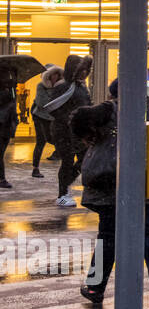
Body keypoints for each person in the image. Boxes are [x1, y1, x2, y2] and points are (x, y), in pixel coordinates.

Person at [76, 80, 149, 309]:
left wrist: (86, 138)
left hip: (114, 186)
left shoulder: (110, 110)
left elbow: (77, 117)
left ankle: (95, 287)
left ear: (113, 95)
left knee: (108, 236)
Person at [47, 55, 93, 208]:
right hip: (63, 131)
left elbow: (87, 107)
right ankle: (62, 194)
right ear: (74, 70)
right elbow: (51, 108)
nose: (84, 74)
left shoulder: (82, 87)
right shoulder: (63, 86)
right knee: (67, 161)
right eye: (81, 70)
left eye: (86, 71)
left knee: (84, 160)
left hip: (79, 131)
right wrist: (68, 119)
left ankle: (66, 185)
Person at [30, 65, 60, 178]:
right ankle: (35, 168)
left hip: (52, 118)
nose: (55, 77)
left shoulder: (60, 87)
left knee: (54, 138)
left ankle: (58, 153)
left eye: (57, 74)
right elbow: (41, 102)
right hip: (40, 117)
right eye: (53, 74)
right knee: (41, 141)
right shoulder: (41, 86)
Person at [0, 68, 17, 190]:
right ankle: (1, 178)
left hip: (6, 125)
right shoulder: (7, 92)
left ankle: (1, 178)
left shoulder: (10, 90)